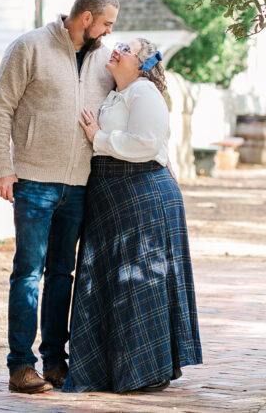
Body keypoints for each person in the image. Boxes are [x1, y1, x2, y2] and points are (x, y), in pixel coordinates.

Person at [0, 0, 119, 394]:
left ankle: (56, 363)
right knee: (27, 272)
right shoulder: (30, 46)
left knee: (63, 274)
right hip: (33, 179)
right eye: (107, 24)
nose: (110, 32)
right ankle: (20, 366)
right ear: (86, 19)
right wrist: (2, 168)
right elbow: (0, 107)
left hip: (79, 185)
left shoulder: (103, 62)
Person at [63, 37, 202, 393]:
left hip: (142, 196)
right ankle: (114, 369)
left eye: (127, 49)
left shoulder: (145, 93)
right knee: (116, 282)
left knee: (139, 282)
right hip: (115, 197)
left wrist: (99, 137)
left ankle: (143, 371)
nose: (118, 49)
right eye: (119, 43)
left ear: (142, 64)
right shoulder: (116, 93)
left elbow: (145, 143)